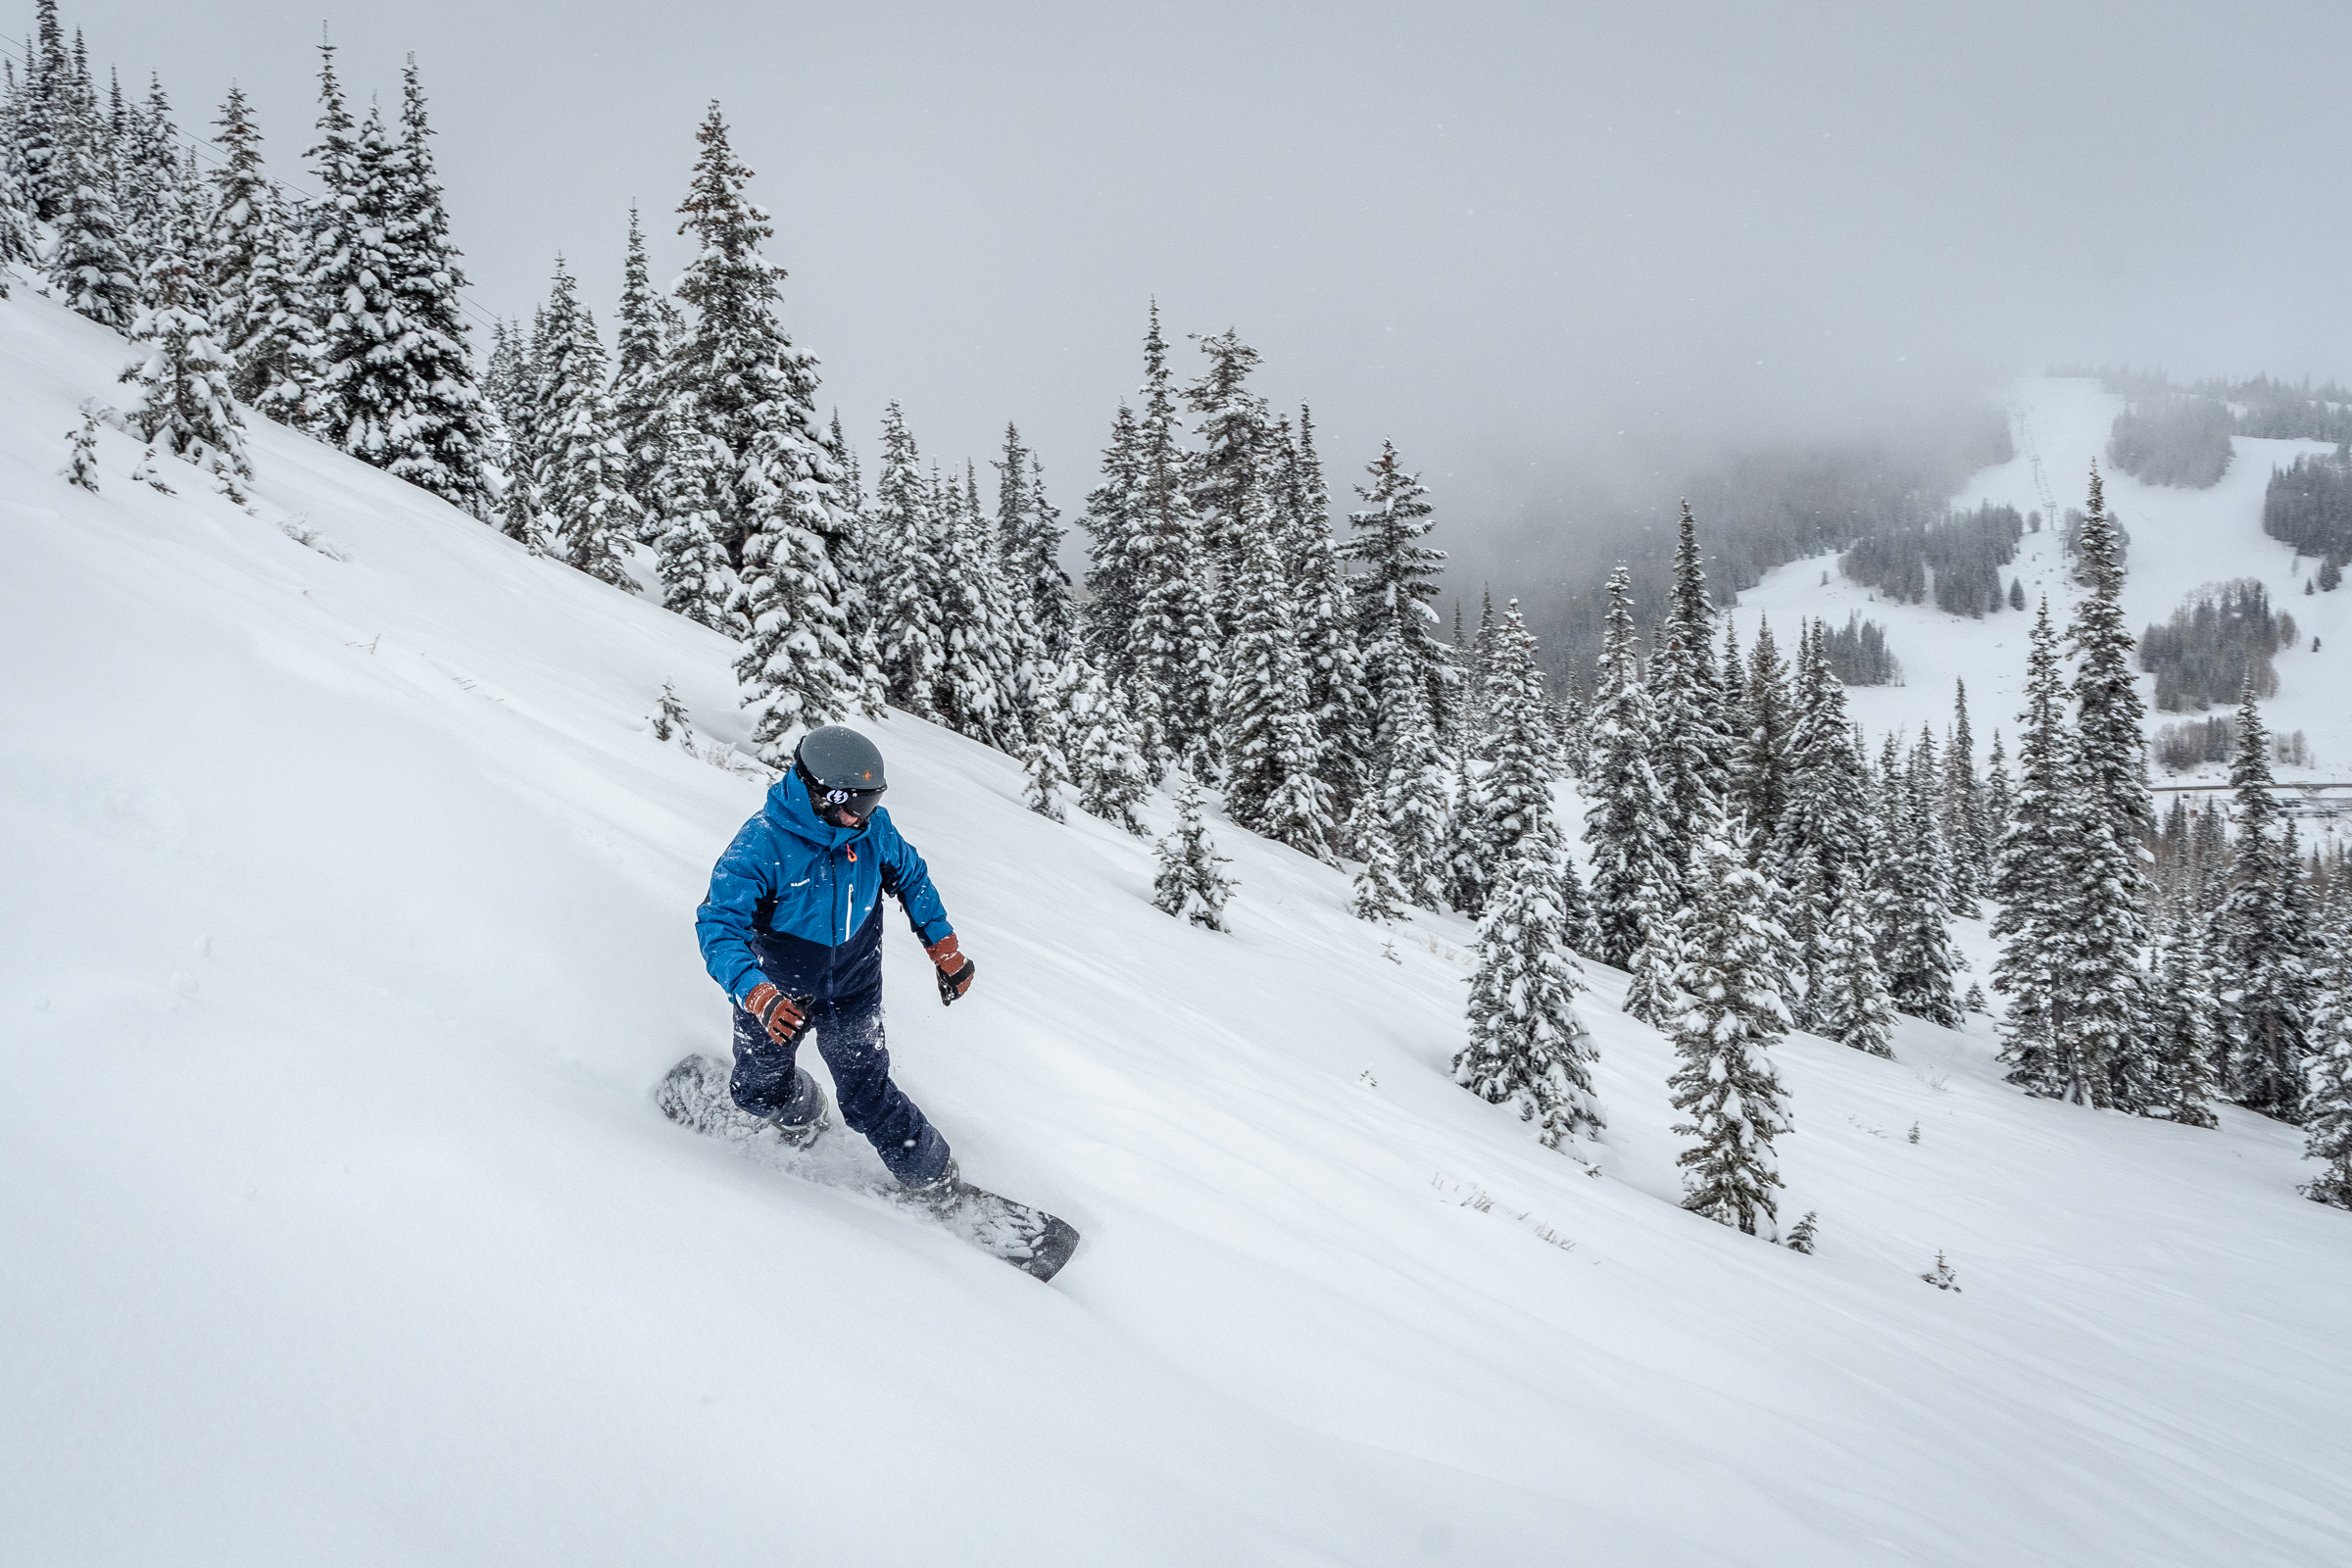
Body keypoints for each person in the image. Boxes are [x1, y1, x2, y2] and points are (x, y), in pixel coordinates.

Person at [695, 725, 977, 1197]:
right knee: (754, 1092)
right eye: (857, 805)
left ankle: (935, 1180)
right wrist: (757, 993)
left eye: (873, 803)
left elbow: (911, 877)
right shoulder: (762, 845)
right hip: (781, 998)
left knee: (868, 1095)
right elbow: (717, 925)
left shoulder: (872, 831)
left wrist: (943, 946)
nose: (863, 818)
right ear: (821, 794)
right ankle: (801, 1109)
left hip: (854, 986)